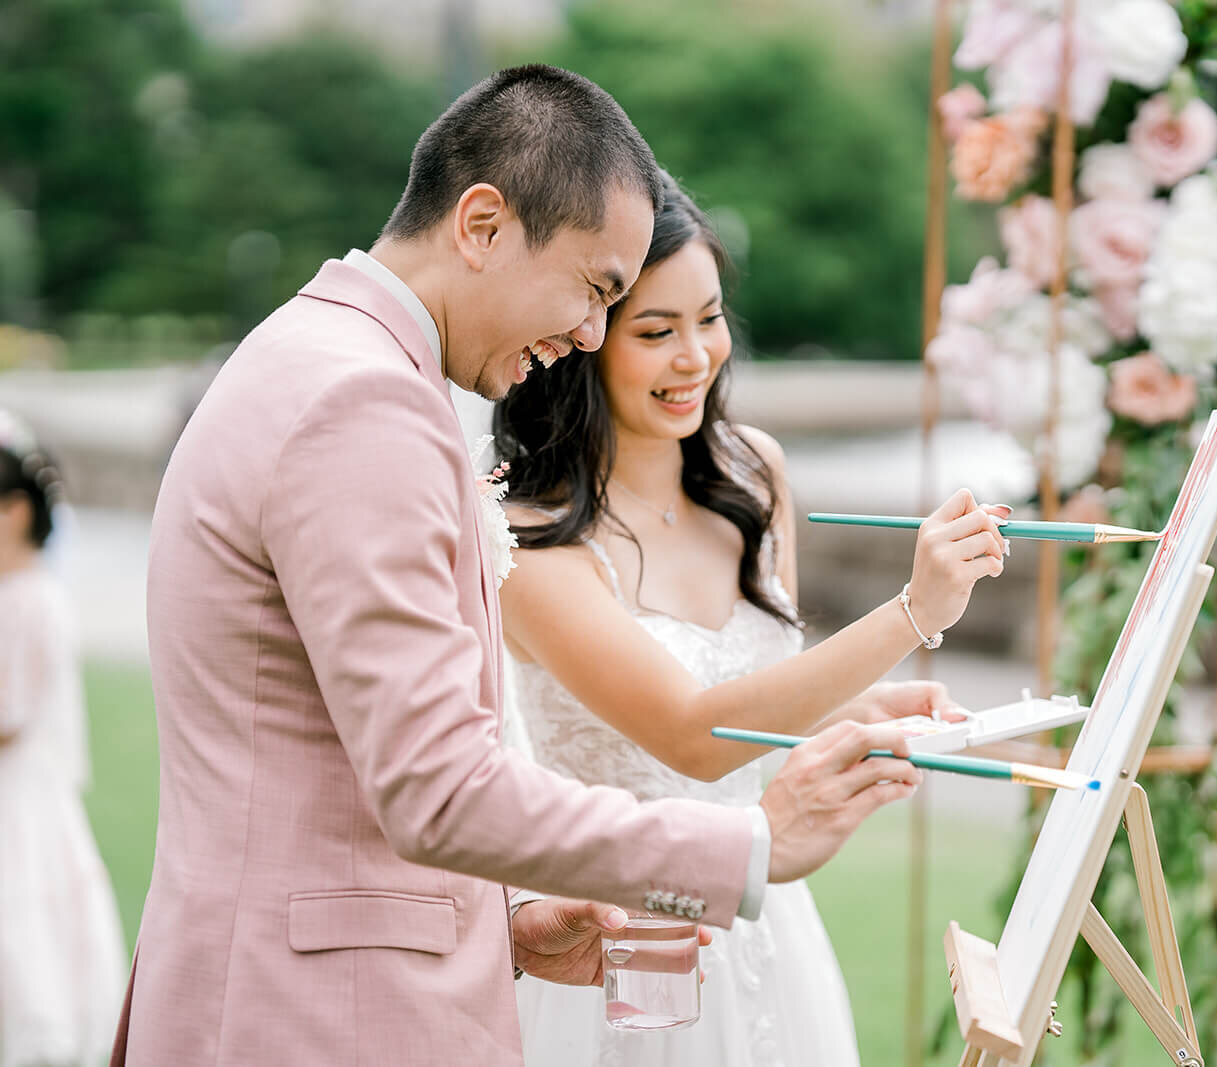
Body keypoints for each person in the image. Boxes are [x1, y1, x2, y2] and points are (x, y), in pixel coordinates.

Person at [115, 65, 952, 1067]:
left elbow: (345, 777)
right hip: (314, 1019)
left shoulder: (317, 357)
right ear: (480, 225)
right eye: (599, 289)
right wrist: (751, 841)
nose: (590, 337)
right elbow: (437, 786)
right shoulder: (361, 406)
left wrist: (506, 925)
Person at [492, 174, 1008, 1064]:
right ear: (583, 343)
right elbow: (695, 734)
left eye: (711, 317)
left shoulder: (753, 478)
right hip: (621, 957)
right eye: (657, 332)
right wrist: (915, 610)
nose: (697, 356)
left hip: (773, 928)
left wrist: (859, 713)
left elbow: (758, 710)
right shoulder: (529, 550)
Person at [0, 411, 126, 1067]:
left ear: (16, 510)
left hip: (21, 796)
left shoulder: (34, 599)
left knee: (26, 927)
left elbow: (12, 710)